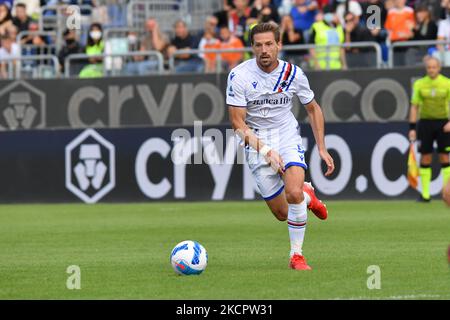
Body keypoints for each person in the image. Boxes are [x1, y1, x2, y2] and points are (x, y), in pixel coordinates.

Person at [227, 22, 334, 270]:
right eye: (258, 45)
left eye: (269, 44)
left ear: (279, 45)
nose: (264, 50)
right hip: (256, 141)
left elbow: (313, 108)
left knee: (292, 192)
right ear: (252, 47)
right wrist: (265, 150)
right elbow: (237, 123)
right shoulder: (239, 76)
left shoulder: (293, 74)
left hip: (286, 136)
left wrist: (321, 147)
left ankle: (296, 255)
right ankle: (309, 197)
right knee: (282, 213)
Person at [408, 56, 450, 202]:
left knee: (445, 157)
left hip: (443, 124)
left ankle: (447, 193)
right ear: (426, 69)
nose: (431, 70)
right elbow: (414, 106)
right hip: (425, 123)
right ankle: (425, 194)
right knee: (425, 157)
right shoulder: (420, 84)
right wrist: (412, 127)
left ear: (439, 68)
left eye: (434, 67)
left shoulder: (447, 83)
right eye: (429, 67)